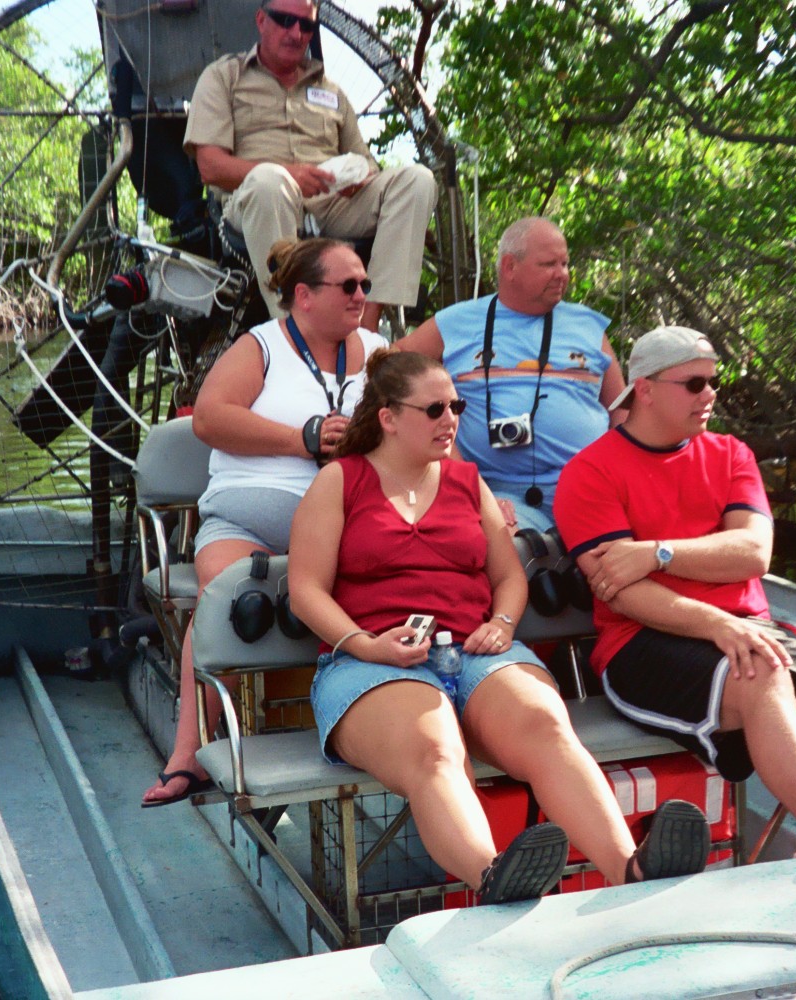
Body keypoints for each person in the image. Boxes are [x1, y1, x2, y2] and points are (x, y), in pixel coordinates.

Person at [286, 351, 712, 900]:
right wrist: (367, 645)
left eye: (456, 405)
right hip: (368, 663)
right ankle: (496, 879)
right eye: (435, 408)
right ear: (388, 417)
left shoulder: (468, 482)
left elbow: (509, 575)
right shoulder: (339, 482)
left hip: (476, 650)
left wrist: (505, 622)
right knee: (435, 749)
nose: (451, 419)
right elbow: (306, 590)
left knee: (546, 728)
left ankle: (632, 870)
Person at [553, 326, 796, 856]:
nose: (710, 395)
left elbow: (753, 554)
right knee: (761, 671)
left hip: (750, 634)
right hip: (642, 644)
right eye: (695, 383)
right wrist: (716, 621)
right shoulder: (589, 473)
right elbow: (621, 594)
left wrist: (658, 552)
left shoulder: (731, 455)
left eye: (714, 383)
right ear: (646, 388)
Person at [141, 237, 389, 807]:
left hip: (346, 529)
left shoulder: (378, 351)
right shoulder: (262, 347)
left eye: (365, 286)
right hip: (247, 524)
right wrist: (302, 438)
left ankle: (380, 734)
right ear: (304, 295)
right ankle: (188, 756)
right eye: (348, 285)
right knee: (224, 597)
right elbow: (209, 418)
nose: (361, 296)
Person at [184, 0, 437, 331]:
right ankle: (294, 332)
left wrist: (356, 178)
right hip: (256, 203)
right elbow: (210, 167)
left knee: (418, 180)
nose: (296, 32)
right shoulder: (223, 77)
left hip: (331, 204)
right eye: (285, 20)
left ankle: (367, 328)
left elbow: (365, 163)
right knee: (270, 181)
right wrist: (291, 175)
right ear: (261, 21)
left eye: (306, 25)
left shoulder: (331, 92)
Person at [396, 217, 625, 531]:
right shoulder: (456, 322)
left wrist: (622, 476)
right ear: (509, 266)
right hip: (493, 491)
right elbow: (392, 370)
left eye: (565, 263)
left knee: (616, 560)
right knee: (507, 548)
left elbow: (623, 408)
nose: (562, 274)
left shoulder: (589, 325)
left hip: (588, 487)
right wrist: (467, 481)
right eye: (548, 264)